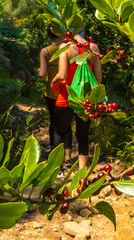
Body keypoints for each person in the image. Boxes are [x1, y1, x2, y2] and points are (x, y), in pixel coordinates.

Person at [50, 29, 102, 170]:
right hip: (85, 99)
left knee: (59, 132)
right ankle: (82, 173)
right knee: (83, 136)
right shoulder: (94, 48)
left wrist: (53, 82)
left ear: (67, 31)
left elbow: (62, 75)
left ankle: (58, 170)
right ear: (83, 31)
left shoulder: (65, 48)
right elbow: (98, 78)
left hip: (66, 96)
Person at [38, 26, 63, 157]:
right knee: (65, 124)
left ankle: (54, 152)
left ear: (48, 35)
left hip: (51, 93)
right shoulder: (68, 49)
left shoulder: (45, 51)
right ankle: (67, 155)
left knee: (53, 122)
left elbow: (42, 73)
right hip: (66, 91)